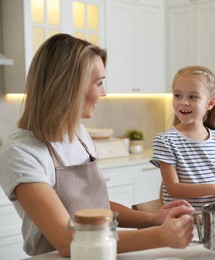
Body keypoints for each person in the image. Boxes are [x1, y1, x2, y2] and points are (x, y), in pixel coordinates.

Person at [0, 34, 194, 257]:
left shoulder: (79, 135)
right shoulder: (21, 153)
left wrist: (152, 219)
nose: (104, 92)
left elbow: (97, 208)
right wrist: (159, 236)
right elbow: (68, 240)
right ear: (70, 87)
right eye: (99, 83)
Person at [150, 65, 215, 209]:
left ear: (210, 103)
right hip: (181, 221)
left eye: (193, 97)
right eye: (178, 95)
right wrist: (214, 189)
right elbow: (173, 188)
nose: (183, 102)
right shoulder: (166, 141)